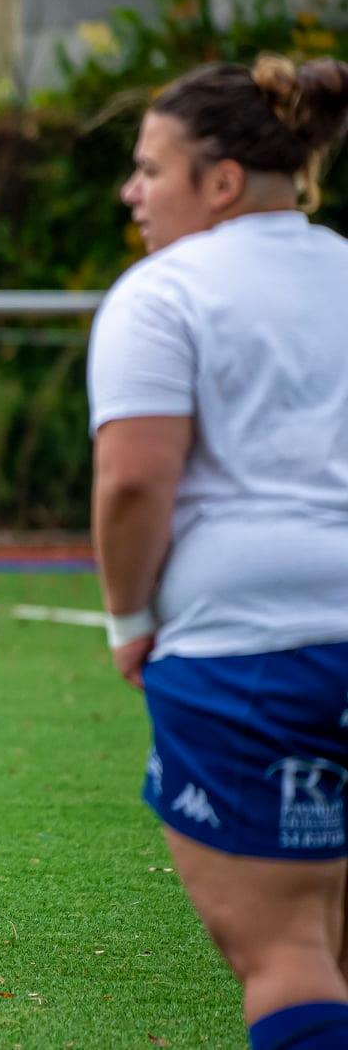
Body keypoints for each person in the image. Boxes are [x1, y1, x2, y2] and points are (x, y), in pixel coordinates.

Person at [87, 54, 348, 1049]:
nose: (133, 191)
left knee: (288, 954)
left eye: (151, 169)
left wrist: (129, 619)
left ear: (223, 181)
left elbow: (135, 480)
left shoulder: (165, 293)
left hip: (252, 650)